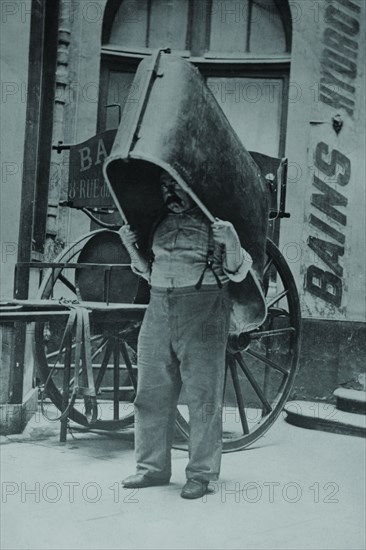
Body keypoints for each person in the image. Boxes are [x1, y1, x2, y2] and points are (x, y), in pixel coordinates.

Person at [119, 172, 252, 499]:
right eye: (165, 187)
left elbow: (238, 271)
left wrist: (232, 241)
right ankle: (151, 468)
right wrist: (129, 246)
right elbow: (148, 272)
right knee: (150, 390)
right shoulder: (159, 225)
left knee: (202, 395)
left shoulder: (216, 225)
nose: (171, 192)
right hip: (159, 305)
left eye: (177, 184)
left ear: (194, 186)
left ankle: (200, 474)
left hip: (203, 308)